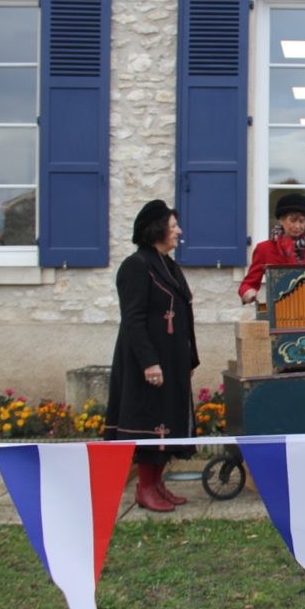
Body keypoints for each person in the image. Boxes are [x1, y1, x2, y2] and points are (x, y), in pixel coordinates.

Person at [105, 200, 199, 513]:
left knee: (168, 421)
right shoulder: (136, 265)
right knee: (150, 422)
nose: (179, 232)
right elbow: (132, 318)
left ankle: (158, 484)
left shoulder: (167, 264)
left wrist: (188, 359)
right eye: (173, 227)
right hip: (147, 362)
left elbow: (182, 312)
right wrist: (149, 362)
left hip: (171, 360)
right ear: (156, 229)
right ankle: (144, 488)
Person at [239, 193, 305, 304]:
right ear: (281, 220)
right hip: (280, 309)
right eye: (292, 220)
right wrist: (249, 292)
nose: (297, 226)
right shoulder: (264, 249)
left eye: (302, 221)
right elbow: (248, 284)